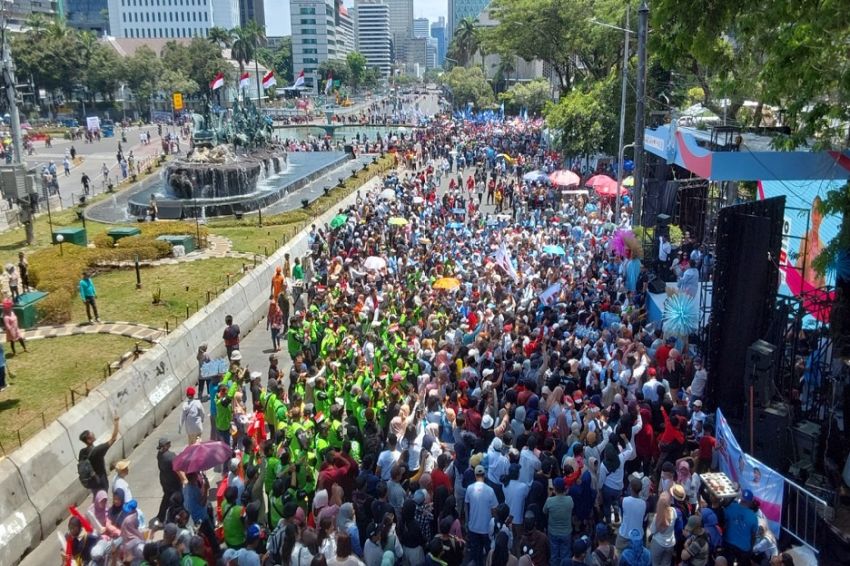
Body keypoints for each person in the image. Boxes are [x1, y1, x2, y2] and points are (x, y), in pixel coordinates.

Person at [78, 415, 120, 495]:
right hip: (101, 482)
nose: (93, 433)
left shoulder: (82, 452)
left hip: (92, 482)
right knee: (102, 502)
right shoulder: (97, 450)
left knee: (97, 500)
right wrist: (116, 422)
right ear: (89, 439)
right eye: (91, 433)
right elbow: (113, 438)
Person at [465, 464, 498, 566]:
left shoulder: (469, 488)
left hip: (473, 527)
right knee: (489, 551)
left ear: (475, 475)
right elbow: (494, 510)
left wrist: (467, 521)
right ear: (484, 475)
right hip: (486, 528)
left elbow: (467, 506)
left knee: (476, 553)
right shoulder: (490, 490)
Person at [722, 490, 759, 565]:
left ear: (741, 498)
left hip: (729, 543)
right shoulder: (754, 517)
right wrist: (750, 549)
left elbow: (723, 522)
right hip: (744, 548)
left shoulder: (731, 507)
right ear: (751, 501)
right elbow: (753, 535)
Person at [543, 476, 574, 565]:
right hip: (566, 532)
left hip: (553, 532)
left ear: (554, 488)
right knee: (566, 555)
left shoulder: (550, 501)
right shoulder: (569, 500)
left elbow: (544, 511)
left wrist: (549, 495)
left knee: (554, 555)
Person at [154, 437, 184, 526]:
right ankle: (176, 517)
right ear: (165, 446)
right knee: (176, 500)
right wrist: (183, 479)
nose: (170, 444)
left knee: (166, 498)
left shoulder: (159, 454)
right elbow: (177, 467)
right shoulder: (170, 456)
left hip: (164, 480)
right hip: (173, 481)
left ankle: (160, 517)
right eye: (168, 443)